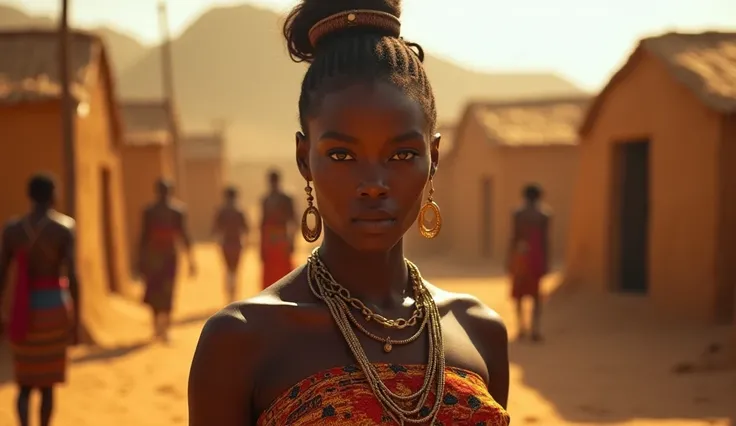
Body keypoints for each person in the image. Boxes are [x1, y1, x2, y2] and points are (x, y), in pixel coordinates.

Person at [187, 1, 510, 425]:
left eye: (401, 154)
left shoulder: (480, 332)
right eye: (342, 154)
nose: (374, 182)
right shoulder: (241, 340)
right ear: (304, 158)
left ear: (433, 157)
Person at [0, 173, 79, 426]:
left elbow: (1, 275)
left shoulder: (12, 230)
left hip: (22, 309)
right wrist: (75, 320)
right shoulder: (64, 228)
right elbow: (73, 276)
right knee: (47, 384)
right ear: (53, 195)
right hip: (54, 308)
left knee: (24, 383)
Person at [137, 178, 196, 343]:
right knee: (160, 290)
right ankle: (161, 328)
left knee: (162, 289)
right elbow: (184, 236)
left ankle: (160, 327)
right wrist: (191, 259)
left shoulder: (172, 211)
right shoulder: (155, 211)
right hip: (162, 256)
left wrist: (140, 258)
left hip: (160, 256)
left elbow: (183, 234)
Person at [506, 184, 550, 342]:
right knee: (536, 295)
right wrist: (545, 262)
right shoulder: (544, 215)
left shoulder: (518, 214)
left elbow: (514, 238)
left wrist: (510, 260)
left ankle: (521, 328)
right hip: (536, 257)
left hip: (520, 257)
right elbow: (545, 241)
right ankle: (535, 329)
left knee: (519, 294)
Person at [259, 170, 297, 290]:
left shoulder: (283, 199)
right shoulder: (267, 200)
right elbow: (262, 225)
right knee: (273, 270)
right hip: (275, 238)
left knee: (282, 269)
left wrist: (291, 240)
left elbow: (293, 221)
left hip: (278, 238)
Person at [212, 186, 250, 303]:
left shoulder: (221, 210)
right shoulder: (240, 210)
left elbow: (215, 229)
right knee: (235, 269)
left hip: (226, 242)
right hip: (237, 243)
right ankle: (233, 294)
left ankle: (229, 295)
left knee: (228, 269)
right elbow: (246, 229)